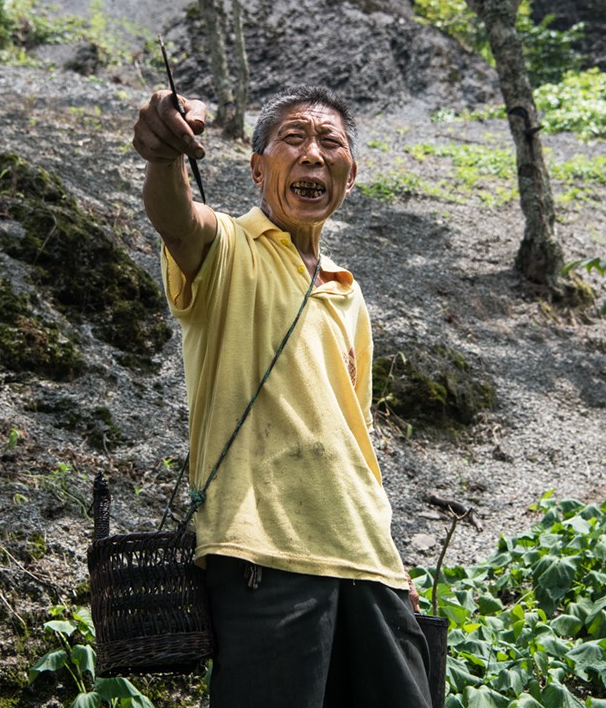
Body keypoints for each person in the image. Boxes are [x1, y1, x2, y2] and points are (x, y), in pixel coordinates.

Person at [132, 84, 432, 708]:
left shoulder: (347, 292)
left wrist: (394, 560)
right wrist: (164, 157)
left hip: (367, 556)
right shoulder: (227, 249)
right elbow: (177, 219)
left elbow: (357, 437)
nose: (314, 155)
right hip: (261, 551)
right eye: (293, 139)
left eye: (331, 143)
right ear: (258, 167)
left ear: (350, 175)